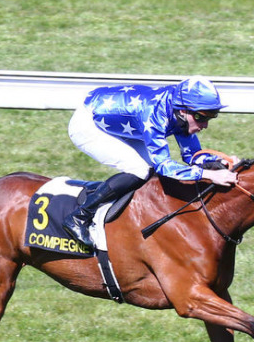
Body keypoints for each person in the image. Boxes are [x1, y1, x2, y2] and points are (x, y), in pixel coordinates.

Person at [65, 76, 238, 249]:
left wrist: (220, 162)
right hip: (89, 123)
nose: (205, 125)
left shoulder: (181, 111)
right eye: (201, 117)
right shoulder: (155, 113)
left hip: (124, 124)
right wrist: (210, 174)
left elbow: (192, 155)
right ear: (183, 111)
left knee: (149, 172)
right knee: (139, 170)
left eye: (211, 117)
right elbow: (164, 166)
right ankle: (79, 217)